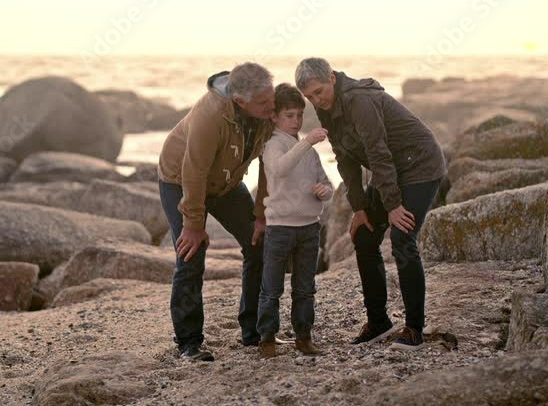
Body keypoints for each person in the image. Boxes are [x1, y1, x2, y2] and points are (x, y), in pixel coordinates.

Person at [295, 57, 446, 351]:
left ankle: (414, 329)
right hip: (390, 170)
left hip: (420, 166)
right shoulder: (326, 106)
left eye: (319, 91)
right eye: (309, 96)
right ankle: (378, 322)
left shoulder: (359, 101)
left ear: (332, 78)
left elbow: (378, 153)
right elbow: (345, 158)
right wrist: (360, 207)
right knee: (363, 236)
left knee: (403, 238)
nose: (316, 100)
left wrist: (392, 206)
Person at [158, 62, 276, 361]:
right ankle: (189, 343)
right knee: (190, 254)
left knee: (258, 243)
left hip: (225, 182)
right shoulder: (209, 115)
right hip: (179, 180)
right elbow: (193, 172)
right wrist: (193, 224)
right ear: (239, 101)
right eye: (263, 103)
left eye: (271, 98)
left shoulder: (265, 109)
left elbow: (269, 164)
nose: (271, 106)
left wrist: (261, 213)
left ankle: (254, 332)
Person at [256, 84, 333, 359]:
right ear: (274, 117)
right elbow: (280, 168)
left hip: (309, 227)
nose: (296, 121)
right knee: (272, 289)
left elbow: (326, 183)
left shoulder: (309, 152)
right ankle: (266, 340)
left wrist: (325, 192)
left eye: (299, 115)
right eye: (289, 115)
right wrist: (307, 141)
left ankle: (304, 337)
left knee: (305, 288)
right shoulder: (272, 145)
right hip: (280, 228)